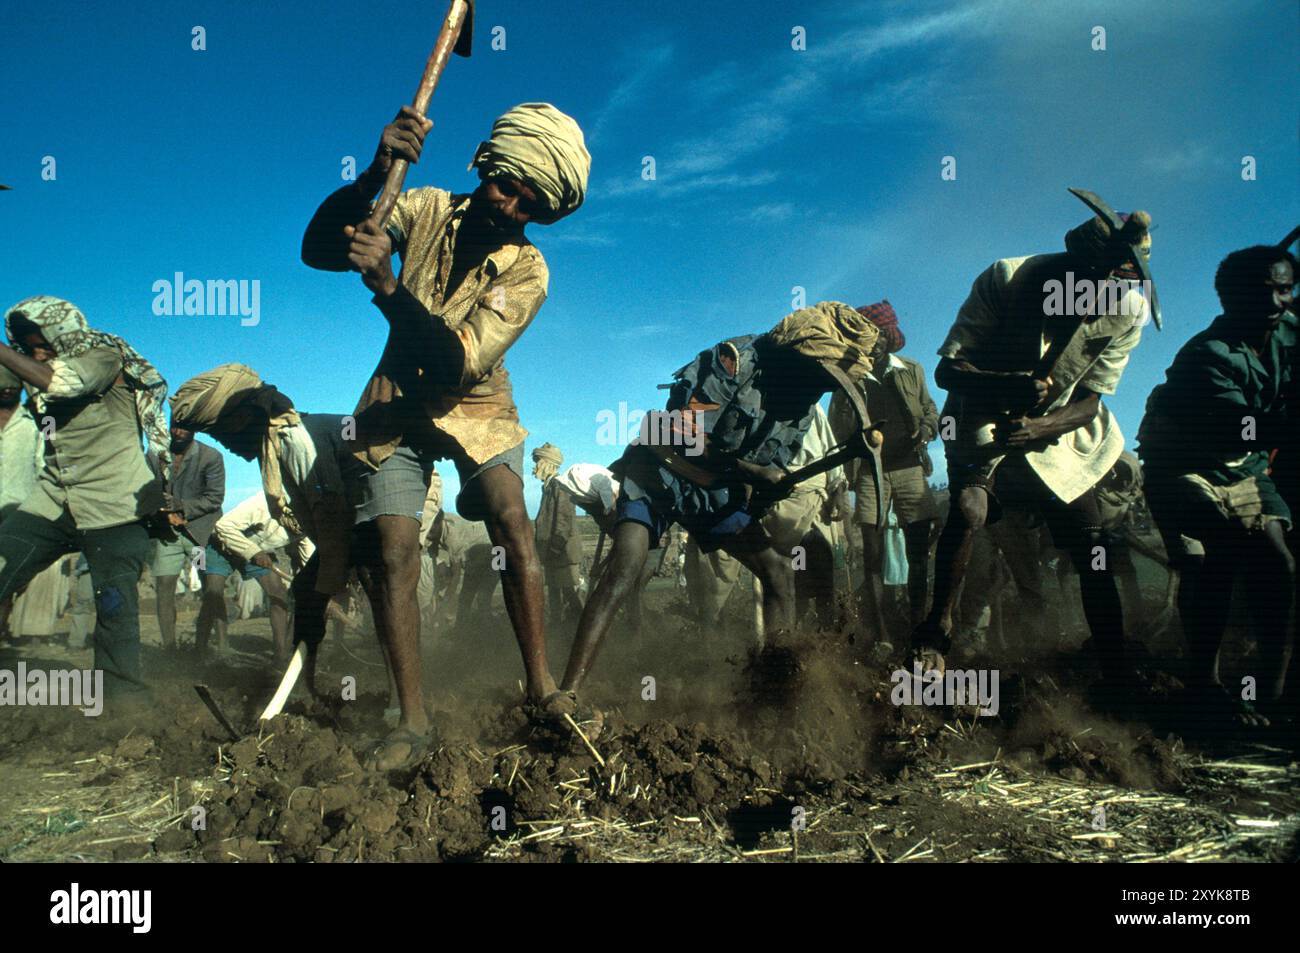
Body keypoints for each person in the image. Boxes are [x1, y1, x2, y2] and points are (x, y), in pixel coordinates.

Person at [300, 101, 590, 760]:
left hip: (476, 402)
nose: (512, 205)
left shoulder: (529, 271)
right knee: (395, 546)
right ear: (486, 164)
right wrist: (374, 174)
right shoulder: (424, 206)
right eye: (507, 185)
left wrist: (387, 288)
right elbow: (317, 249)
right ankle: (413, 720)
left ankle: (541, 686)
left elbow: (456, 360)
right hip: (396, 402)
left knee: (511, 516)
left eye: (531, 202)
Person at [555, 301, 884, 729]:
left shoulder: (803, 403)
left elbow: (762, 470)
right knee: (626, 563)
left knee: (779, 573)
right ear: (801, 357)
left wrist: (765, 487)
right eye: (822, 377)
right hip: (660, 470)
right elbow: (677, 432)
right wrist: (752, 472)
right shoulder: (731, 362)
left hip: (711, 494)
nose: (822, 389)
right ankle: (566, 693)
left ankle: (775, 701)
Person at [913, 201, 1155, 704]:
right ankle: (936, 635)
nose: (1098, 299)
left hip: (1058, 427)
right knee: (968, 508)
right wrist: (1006, 385)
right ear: (1070, 269)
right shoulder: (1007, 277)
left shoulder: (1129, 308)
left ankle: (1114, 666)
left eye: (1113, 289)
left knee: (1093, 538)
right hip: (980, 408)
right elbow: (947, 370)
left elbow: (1091, 402)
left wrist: (1041, 424)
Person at [1138, 244, 1297, 726]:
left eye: (1285, 289)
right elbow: (1246, 427)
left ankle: (1273, 694)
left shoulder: (1289, 331)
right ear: (1231, 298)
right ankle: (1205, 685)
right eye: (1263, 291)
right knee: (1218, 554)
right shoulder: (1206, 356)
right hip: (1180, 465)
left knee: (1279, 560)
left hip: (1241, 466)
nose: (1276, 302)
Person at [0, 296, 168, 699]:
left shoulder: (103, 355)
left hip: (115, 505)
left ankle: (122, 706)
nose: (35, 351)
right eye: (26, 345)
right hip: (54, 498)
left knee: (114, 608)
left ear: (63, 331)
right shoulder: (28, 373)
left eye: (41, 341)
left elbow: (64, 382)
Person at [829, 301, 938, 636]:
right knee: (872, 555)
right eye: (868, 336)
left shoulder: (911, 369)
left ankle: (918, 626)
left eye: (880, 335)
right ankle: (883, 635)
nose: (874, 342)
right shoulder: (847, 380)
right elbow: (837, 427)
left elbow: (931, 411)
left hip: (909, 469)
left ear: (891, 337)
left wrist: (926, 430)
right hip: (869, 474)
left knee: (918, 551)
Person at [210, 491, 313, 663]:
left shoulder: (306, 528)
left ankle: (280, 655)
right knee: (213, 593)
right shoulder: (262, 503)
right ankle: (218, 649)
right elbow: (223, 526)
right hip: (219, 546)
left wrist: (318, 594)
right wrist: (254, 552)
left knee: (279, 593)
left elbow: (309, 567)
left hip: (257, 553)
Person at [148, 425, 225, 653]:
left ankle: (202, 645)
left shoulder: (211, 456)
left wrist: (181, 508)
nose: (178, 432)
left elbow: (214, 498)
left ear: (195, 429)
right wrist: (162, 510)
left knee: (208, 587)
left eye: (185, 427)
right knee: (164, 586)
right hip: (167, 536)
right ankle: (169, 649)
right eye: (174, 426)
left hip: (198, 535)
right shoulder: (155, 454)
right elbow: (146, 488)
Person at [532, 443, 583, 627]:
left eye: (538, 461)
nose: (535, 466)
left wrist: (554, 547)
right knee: (554, 593)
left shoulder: (560, 485)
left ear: (548, 463)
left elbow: (564, 520)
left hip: (562, 552)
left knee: (569, 592)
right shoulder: (548, 486)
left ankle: (583, 627)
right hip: (553, 553)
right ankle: (557, 630)